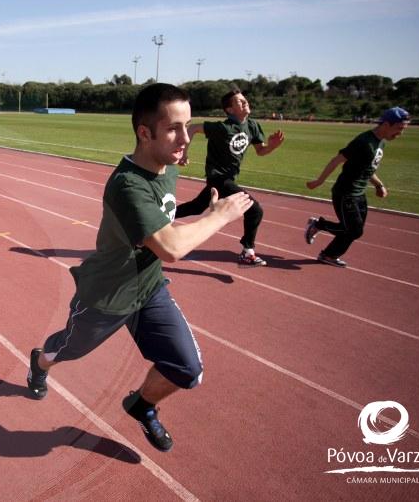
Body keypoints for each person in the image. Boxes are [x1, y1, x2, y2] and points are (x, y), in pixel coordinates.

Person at [26, 83, 253, 452]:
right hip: (107, 296)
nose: (185, 138)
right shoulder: (126, 185)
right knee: (67, 350)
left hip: (147, 289)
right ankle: (40, 361)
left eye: (188, 126)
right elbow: (171, 247)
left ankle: (142, 405)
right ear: (144, 133)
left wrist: (201, 210)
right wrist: (220, 216)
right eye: (173, 129)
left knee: (187, 370)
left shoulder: (168, 166)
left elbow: (164, 214)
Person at [173, 89, 285, 267]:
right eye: (239, 102)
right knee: (254, 209)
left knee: (196, 206)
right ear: (230, 110)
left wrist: (272, 146)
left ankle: (161, 218)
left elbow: (261, 151)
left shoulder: (252, 126)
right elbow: (192, 128)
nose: (245, 103)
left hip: (228, 178)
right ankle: (247, 252)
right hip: (219, 177)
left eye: (245, 100)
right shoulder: (222, 128)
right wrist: (184, 153)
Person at [304, 107, 410, 267]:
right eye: (399, 129)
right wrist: (319, 181)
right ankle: (318, 225)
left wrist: (379, 185)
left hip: (359, 193)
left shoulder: (381, 142)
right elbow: (337, 160)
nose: (400, 133)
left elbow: (367, 169)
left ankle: (329, 255)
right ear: (387, 124)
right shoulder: (364, 141)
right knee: (354, 230)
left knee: (353, 230)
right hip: (345, 192)